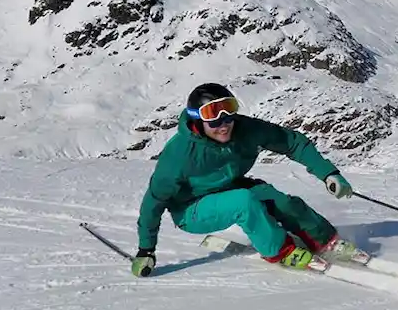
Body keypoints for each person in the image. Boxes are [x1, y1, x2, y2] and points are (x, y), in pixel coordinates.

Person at [131, 82, 356, 277]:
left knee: (280, 201)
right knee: (243, 202)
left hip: (228, 186)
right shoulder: (179, 154)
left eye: (228, 112)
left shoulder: (245, 129)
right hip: (190, 209)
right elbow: (154, 201)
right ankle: (280, 251)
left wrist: (328, 173)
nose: (224, 124)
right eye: (213, 118)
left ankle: (325, 240)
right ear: (197, 121)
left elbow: (291, 142)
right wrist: (146, 250)